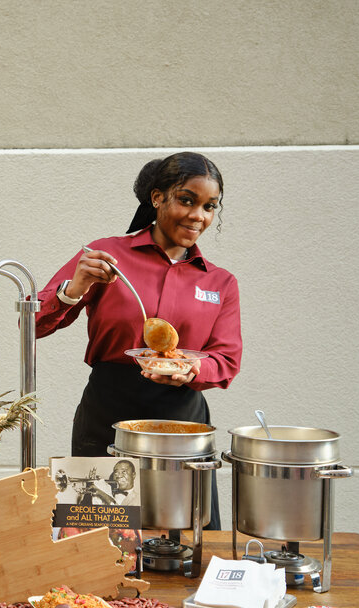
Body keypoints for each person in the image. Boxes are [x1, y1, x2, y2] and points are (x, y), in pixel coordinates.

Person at [34, 152, 242, 529]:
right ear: (157, 197)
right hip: (108, 412)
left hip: (183, 420)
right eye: (187, 200)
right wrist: (75, 287)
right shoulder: (107, 257)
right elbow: (35, 324)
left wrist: (192, 368)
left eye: (210, 206)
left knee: (184, 540)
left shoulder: (220, 282)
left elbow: (226, 359)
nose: (199, 215)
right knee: (96, 539)